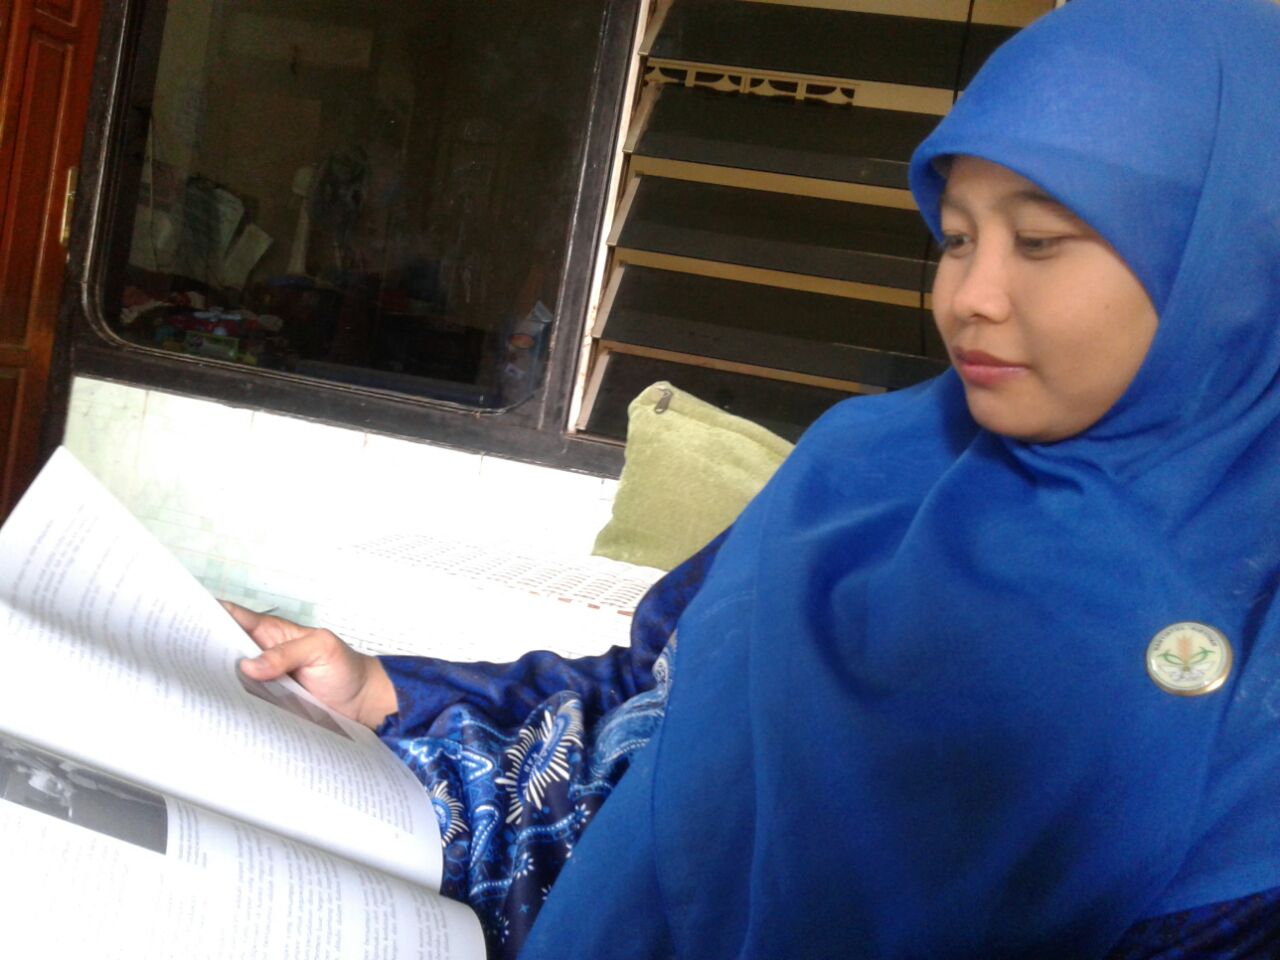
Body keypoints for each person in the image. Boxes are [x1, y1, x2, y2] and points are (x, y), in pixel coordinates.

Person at [230, 1, 1280, 956]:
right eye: (956, 238)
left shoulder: (1257, 679)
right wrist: (385, 693)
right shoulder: (860, 471)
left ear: (1234, 259)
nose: (972, 296)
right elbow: (649, 701)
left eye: (1040, 241)